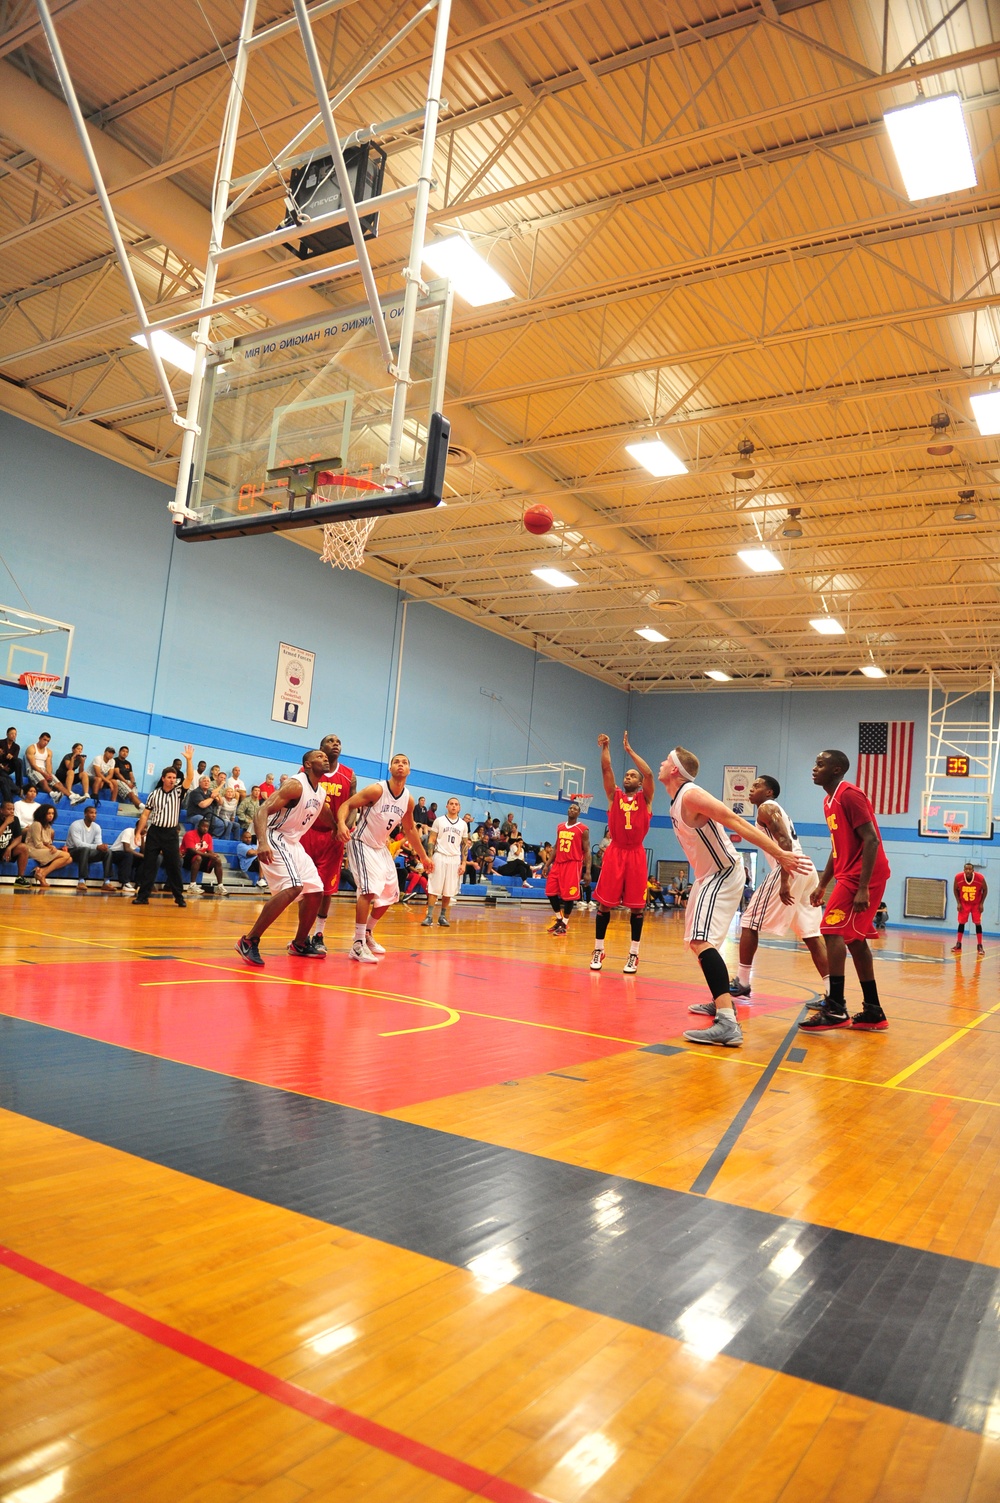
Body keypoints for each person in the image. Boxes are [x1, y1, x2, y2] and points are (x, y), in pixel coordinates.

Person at [659, 747, 811, 1049]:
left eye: (666, 761)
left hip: (722, 871)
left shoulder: (691, 794)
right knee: (699, 943)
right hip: (708, 875)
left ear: (675, 769)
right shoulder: (677, 799)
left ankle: (727, 1022)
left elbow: (735, 821)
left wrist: (781, 854)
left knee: (701, 941)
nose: (661, 764)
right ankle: (722, 1001)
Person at [802, 748, 891, 1033]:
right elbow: (838, 848)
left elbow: (871, 840)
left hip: (864, 875)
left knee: (830, 930)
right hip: (849, 874)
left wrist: (863, 887)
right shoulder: (829, 801)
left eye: (821, 764)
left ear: (837, 769)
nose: (815, 768)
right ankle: (874, 1012)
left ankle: (836, 1007)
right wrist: (823, 882)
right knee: (855, 940)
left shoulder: (850, 794)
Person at [728, 775, 829, 1003]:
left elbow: (784, 841)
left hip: (790, 866)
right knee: (812, 935)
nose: (751, 789)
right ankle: (833, 993)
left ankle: (742, 982)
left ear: (769, 792)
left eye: (757, 785)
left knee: (748, 921)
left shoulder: (766, 807)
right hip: (805, 868)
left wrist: (784, 880)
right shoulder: (773, 809)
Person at [236, 749, 331, 966]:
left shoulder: (321, 793)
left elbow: (324, 817)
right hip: (274, 835)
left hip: (293, 842)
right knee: (294, 887)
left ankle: (299, 943)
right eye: (319, 756)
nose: (324, 758)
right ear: (307, 765)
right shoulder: (296, 785)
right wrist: (262, 843)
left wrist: (339, 827)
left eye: (325, 757)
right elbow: (261, 810)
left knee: (315, 891)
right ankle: (249, 941)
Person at [337, 753, 434, 963]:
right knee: (368, 890)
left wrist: (424, 857)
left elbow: (409, 828)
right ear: (390, 768)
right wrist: (342, 825)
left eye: (405, 762)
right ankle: (357, 943)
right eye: (396, 762)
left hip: (380, 847)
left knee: (391, 893)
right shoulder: (377, 790)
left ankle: (368, 933)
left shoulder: (408, 799)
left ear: (409, 771)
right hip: (361, 842)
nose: (400, 765)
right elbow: (346, 805)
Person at [591, 731, 654, 974]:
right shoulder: (613, 796)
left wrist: (629, 751)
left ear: (639, 783)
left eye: (632, 775)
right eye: (626, 774)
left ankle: (634, 954)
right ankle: (599, 949)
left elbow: (649, 773)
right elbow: (607, 770)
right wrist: (605, 747)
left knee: (637, 907)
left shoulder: (645, 799)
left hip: (636, 854)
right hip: (615, 852)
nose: (628, 777)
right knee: (604, 905)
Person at [300, 733, 356, 955]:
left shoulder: (349, 776)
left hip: (334, 837)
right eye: (330, 741)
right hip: (309, 833)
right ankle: (302, 935)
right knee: (305, 888)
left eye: (339, 742)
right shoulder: (309, 771)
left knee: (327, 889)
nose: (336, 744)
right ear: (320, 748)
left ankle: (319, 933)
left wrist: (345, 828)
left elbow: (352, 806)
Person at [132, 747, 195, 907]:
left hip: (170, 834)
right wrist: (138, 832)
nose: (173, 780)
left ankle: (179, 897)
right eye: (170, 777)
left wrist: (189, 759)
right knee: (149, 864)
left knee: (174, 865)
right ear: (163, 778)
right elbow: (145, 815)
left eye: (174, 777)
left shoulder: (179, 792)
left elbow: (189, 777)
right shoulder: (154, 794)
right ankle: (143, 896)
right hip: (155, 832)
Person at [422, 796, 469, 928]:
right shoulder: (439, 821)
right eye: (451, 804)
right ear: (447, 806)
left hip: (454, 858)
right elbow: (431, 839)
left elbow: (465, 845)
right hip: (439, 856)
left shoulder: (463, 824)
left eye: (456, 804)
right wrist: (430, 858)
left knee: (448, 890)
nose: (454, 806)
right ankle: (429, 916)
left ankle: (442, 916)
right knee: (433, 888)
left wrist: (464, 863)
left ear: (459, 808)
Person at [545, 802, 590, 935]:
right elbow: (556, 847)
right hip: (558, 864)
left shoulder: (583, 829)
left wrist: (587, 871)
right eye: (570, 808)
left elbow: (587, 850)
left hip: (573, 864)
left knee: (569, 897)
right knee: (550, 892)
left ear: (578, 813)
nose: (571, 810)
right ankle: (559, 919)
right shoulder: (560, 827)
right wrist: (547, 864)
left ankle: (564, 924)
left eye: (575, 809)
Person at [24, 805, 73, 888]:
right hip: (32, 849)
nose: (51, 815)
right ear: (42, 814)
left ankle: (42, 871)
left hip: (41, 849)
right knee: (66, 855)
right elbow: (38, 844)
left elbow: (47, 843)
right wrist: (51, 848)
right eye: (48, 813)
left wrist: (54, 848)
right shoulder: (37, 824)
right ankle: (42, 874)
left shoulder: (48, 827)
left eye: (52, 813)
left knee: (70, 859)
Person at [66, 803, 113, 890]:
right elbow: (78, 844)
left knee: (108, 852)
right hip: (73, 851)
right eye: (91, 813)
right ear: (85, 814)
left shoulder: (97, 827)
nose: (94, 815)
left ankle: (107, 882)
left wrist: (102, 847)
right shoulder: (76, 825)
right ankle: (81, 881)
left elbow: (98, 844)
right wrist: (97, 847)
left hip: (88, 852)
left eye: (95, 813)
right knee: (85, 849)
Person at [25, 732, 81, 802]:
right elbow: (33, 765)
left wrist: (49, 774)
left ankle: (71, 797)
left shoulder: (49, 751)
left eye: (48, 741)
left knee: (59, 784)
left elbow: (49, 764)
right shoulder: (31, 748)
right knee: (44, 781)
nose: (46, 742)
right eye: (44, 740)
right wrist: (44, 774)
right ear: (39, 738)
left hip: (44, 770)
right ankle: (53, 794)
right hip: (32, 769)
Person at [181, 819, 226, 894]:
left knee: (217, 859)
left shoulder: (208, 837)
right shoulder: (189, 834)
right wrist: (208, 855)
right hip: (186, 858)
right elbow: (192, 850)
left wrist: (213, 855)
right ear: (198, 826)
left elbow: (210, 850)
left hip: (200, 859)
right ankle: (192, 886)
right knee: (198, 857)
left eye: (207, 827)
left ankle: (220, 886)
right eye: (203, 826)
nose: (205, 828)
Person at [952, 861, 987, 957]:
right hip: (964, 903)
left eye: (970, 869)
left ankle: (980, 945)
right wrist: (958, 903)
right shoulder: (958, 877)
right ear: (964, 870)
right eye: (966, 869)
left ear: (973, 870)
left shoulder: (980, 878)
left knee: (977, 923)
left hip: (976, 904)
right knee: (961, 922)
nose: (968, 871)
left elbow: (985, 889)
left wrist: (981, 903)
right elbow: (955, 889)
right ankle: (958, 944)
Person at [0, 801, 30, 885]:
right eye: (9, 809)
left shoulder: (15, 819)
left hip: (6, 848)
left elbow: (18, 837)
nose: (12, 811)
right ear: (1, 810)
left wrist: (10, 848)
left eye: (13, 809)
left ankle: (20, 878)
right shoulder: (7, 820)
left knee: (24, 848)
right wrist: (6, 823)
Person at [110, 820, 141, 892]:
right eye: (143, 827)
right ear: (137, 826)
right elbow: (126, 849)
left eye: (146, 828)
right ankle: (125, 883)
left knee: (143, 859)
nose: (145, 829)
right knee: (129, 855)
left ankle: (139, 883)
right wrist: (142, 855)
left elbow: (143, 850)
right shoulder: (128, 831)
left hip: (126, 856)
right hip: (114, 853)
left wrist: (142, 838)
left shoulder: (141, 835)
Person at [0, 727, 22, 802]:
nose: (13, 735)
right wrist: (2, 766)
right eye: (12, 733)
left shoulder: (16, 747)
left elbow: (15, 758)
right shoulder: (1, 743)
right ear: (7, 734)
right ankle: (16, 789)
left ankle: (19, 785)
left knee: (19, 761)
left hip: (8, 767)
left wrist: (11, 756)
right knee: (4, 779)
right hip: (0, 767)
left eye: (15, 734)